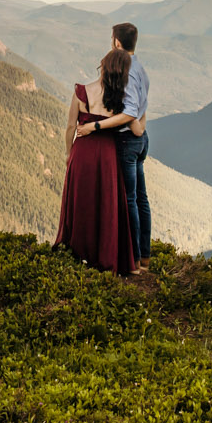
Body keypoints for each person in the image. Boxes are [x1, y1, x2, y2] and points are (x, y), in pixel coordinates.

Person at [55, 46, 138, 275]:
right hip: (108, 155)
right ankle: (106, 257)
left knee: (81, 201)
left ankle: (78, 254)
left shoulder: (82, 92)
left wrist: (69, 153)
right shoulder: (122, 100)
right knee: (106, 203)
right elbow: (136, 128)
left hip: (82, 153)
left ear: (102, 66)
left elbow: (71, 126)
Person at [97, 23, 150, 269]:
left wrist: (97, 127)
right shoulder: (140, 68)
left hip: (128, 141)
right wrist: (141, 123)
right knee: (141, 199)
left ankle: (135, 259)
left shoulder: (125, 70)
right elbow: (142, 103)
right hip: (140, 139)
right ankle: (145, 256)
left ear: (117, 43)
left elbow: (129, 111)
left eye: (112, 39)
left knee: (129, 200)